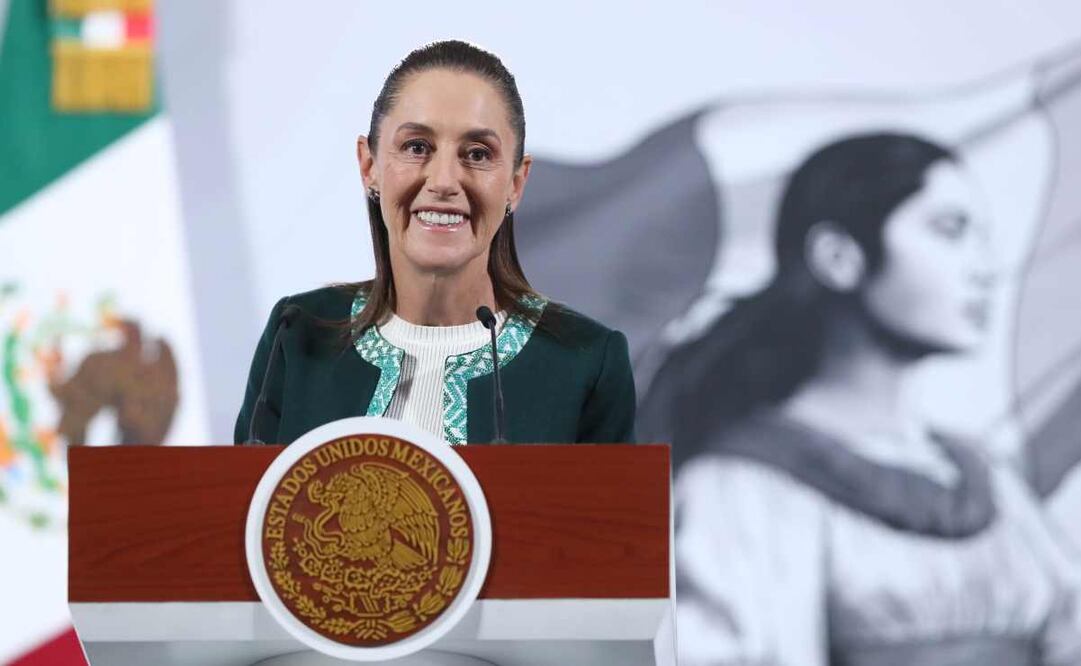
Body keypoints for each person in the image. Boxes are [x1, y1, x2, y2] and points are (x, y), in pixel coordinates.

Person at [639, 133, 1081, 665]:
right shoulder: (742, 488)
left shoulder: (989, 481)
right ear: (838, 257)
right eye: (950, 230)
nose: (984, 268)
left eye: (982, 238)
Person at [234, 40, 635, 446]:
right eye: (417, 147)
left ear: (516, 184)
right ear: (369, 165)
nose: (444, 181)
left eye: (477, 154)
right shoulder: (296, 334)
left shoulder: (587, 363)